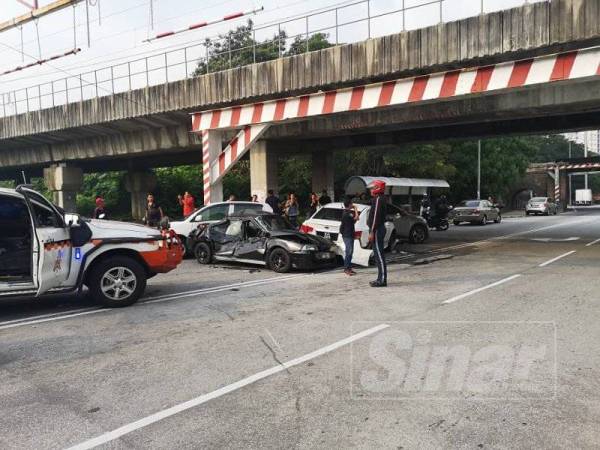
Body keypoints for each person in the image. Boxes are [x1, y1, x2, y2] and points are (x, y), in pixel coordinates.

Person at [367, 180, 387, 287]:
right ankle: (380, 278)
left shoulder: (379, 199)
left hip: (377, 229)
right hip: (377, 229)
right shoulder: (378, 199)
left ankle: (382, 280)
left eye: (373, 188)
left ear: (377, 188)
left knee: (379, 255)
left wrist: (372, 231)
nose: (371, 190)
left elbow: (375, 218)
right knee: (378, 255)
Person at [340, 196, 359, 276]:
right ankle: (346, 268)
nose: (353, 205)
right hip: (347, 235)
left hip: (348, 234)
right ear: (349, 204)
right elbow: (357, 218)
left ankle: (349, 267)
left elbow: (353, 222)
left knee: (350, 252)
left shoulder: (347, 212)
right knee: (349, 252)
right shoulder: (347, 213)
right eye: (352, 203)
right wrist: (356, 209)